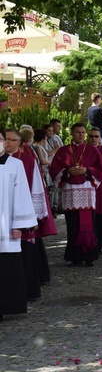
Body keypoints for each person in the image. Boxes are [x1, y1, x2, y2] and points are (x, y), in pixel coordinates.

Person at [49, 123, 102, 266]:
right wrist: (67, 171)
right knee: (73, 223)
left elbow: (101, 169)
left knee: (88, 224)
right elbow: (54, 169)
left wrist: (87, 170)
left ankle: (89, 256)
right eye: (78, 132)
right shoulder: (63, 151)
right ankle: (75, 256)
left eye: (83, 132)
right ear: (72, 134)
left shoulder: (92, 150)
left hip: (86, 189)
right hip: (70, 192)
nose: (81, 135)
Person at [0, 129, 38, 320]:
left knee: (6, 267)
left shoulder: (16, 165)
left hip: (6, 226)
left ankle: (5, 306)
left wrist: (18, 225)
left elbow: (22, 194)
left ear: (5, 143)